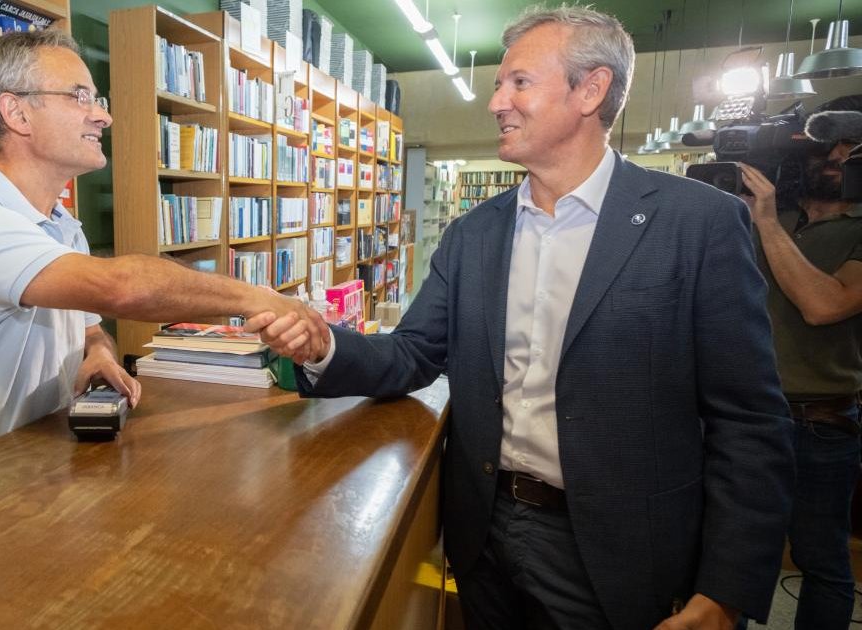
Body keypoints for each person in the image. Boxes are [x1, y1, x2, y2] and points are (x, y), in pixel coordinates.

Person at [250, 6, 794, 630]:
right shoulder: (473, 233)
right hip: (486, 536)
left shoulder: (698, 224)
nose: (495, 102)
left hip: (619, 554)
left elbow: (749, 421)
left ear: (591, 90)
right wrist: (324, 347)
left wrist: (723, 594)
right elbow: (414, 353)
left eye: (519, 82)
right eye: (498, 83)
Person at [0, 30, 324, 481]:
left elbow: (90, 327)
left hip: (23, 463)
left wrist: (98, 354)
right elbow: (121, 288)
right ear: (16, 112)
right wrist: (259, 299)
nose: (103, 117)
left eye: (97, 99)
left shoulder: (60, 224)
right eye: (80, 97)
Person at [738, 94, 862, 630]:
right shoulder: (772, 215)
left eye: (848, 153)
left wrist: (766, 224)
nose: (834, 160)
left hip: (821, 424)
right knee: (733, 556)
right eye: (824, 152)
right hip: (744, 418)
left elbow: (825, 305)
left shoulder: (854, 226)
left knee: (821, 559)